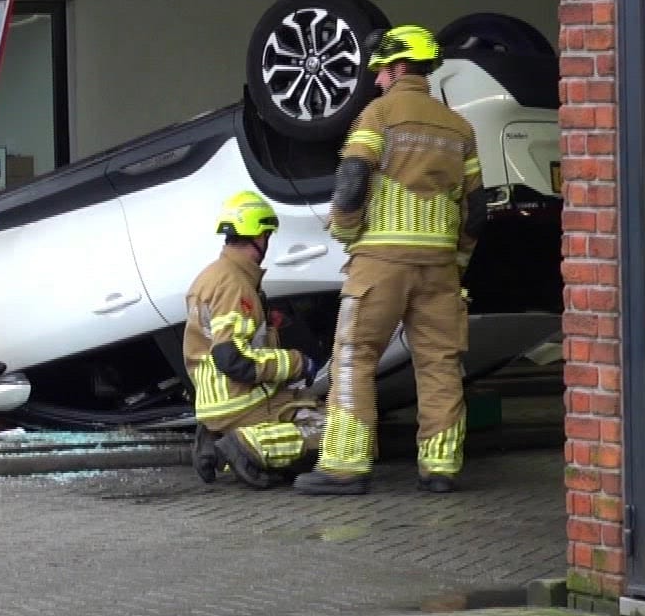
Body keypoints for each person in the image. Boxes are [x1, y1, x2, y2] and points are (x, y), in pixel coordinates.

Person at [296, 24, 484, 497]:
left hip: (380, 262)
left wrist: (343, 229)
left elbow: (353, 178)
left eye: (381, 70)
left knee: (355, 357)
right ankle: (441, 467)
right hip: (440, 266)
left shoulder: (379, 115)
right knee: (440, 361)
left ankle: (344, 465)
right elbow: (476, 210)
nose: (377, 79)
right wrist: (457, 257)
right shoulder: (459, 128)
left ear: (399, 67)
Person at [183, 190, 324, 489]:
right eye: (267, 234)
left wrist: (269, 329)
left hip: (214, 402)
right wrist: (298, 363)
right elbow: (233, 358)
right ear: (259, 236)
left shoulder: (209, 276)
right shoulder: (236, 285)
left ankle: (215, 435)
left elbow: (213, 345)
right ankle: (246, 444)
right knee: (334, 432)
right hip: (243, 400)